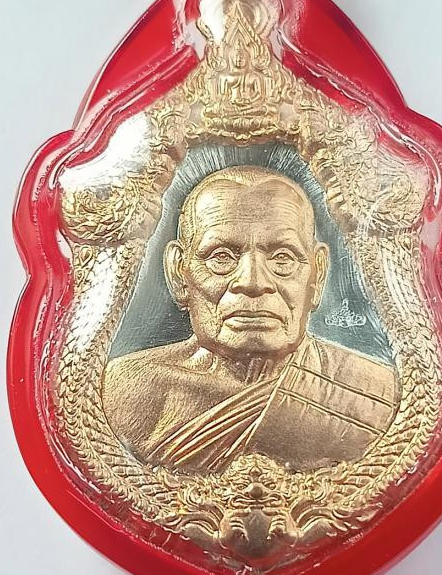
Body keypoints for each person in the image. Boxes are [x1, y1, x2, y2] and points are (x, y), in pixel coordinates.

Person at [102, 166, 397, 473]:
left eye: (282, 257)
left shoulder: (376, 393)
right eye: (221, 257)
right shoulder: (123, 392)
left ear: (317, 273)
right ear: (179, 273)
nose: (253, 282)